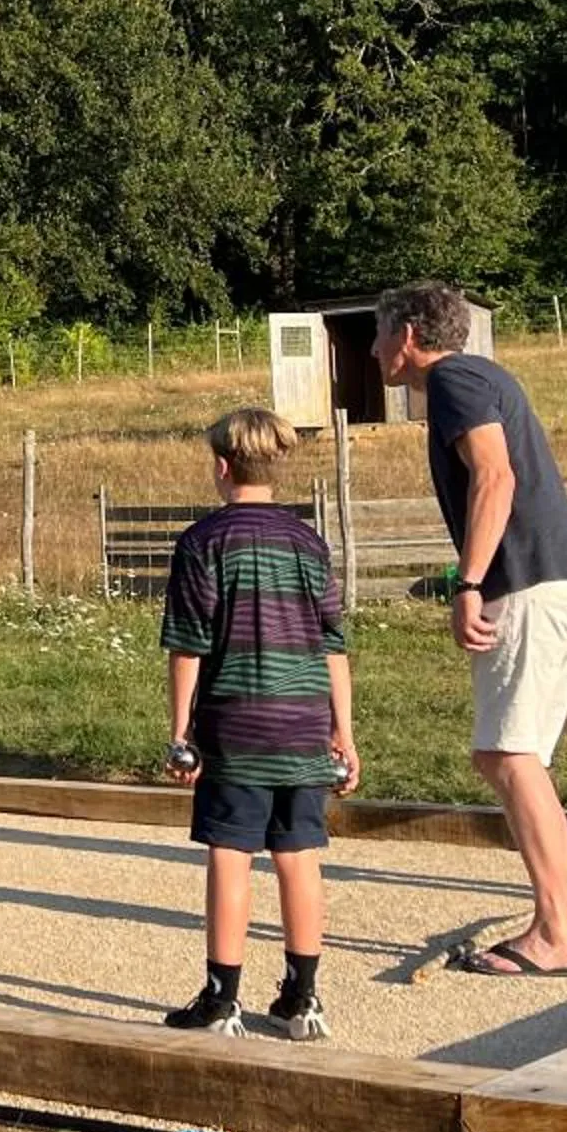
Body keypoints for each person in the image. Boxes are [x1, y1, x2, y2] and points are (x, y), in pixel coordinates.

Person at [373, 280, 567, 977]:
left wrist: (468, 582)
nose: (377, 348)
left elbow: (495, 477)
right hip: (556, 580)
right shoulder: (480, 377)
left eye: (381, 334)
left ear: (410, 336)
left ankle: (565, 932)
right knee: (514, 755)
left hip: (527, 581)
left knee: (508, 756)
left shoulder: (456, 380)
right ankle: (563, 922)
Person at [156, 407, 360, 1039]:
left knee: (231, 853)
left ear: (222, 467)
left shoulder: (203, 543)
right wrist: (343, 731)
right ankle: (302, 999)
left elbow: (188, 645)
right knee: (299, 854)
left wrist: (181, 731)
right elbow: (333, 644)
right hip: (303, 719)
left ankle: (222, 998)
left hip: (236, 718)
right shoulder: (309, 542)